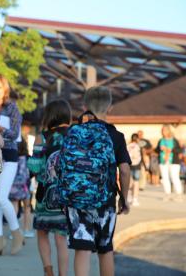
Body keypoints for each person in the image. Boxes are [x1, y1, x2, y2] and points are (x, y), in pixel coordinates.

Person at [64, 86, 130, 276]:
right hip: (105, 199)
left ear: (85, 106)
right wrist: (123, 199)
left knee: (82, 248)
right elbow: (124, 170)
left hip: (77, 198)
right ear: (110, 108)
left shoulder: (74, 132)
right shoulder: (116, 136)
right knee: (105, 249)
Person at [0, 74, 24, 256]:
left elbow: (15, 133)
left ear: (5, 89)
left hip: (9, 157)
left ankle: (17, 234)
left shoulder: (12, 108)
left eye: (0, 88)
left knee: (1, 198)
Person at [33, 99, 71, 276]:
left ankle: (49, 272)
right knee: (61, 238)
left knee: (42, 233)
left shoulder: (42, 137)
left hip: (44, 195)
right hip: (66, 196)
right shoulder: (73, 135)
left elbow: (34, 167)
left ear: (49, 115)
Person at [9, 138, 34, 238]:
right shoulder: (27, 157)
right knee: (27, 207)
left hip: (12, 185)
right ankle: (26, 230)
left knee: (14, 207)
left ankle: (14, 232)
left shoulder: (11, 156)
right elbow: (30, 171)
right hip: (24, 186)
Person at [155, 125, 183, 202]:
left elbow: (179, 150)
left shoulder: (174, 140)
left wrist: (170, 149)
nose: (162, 132)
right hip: (163, 161)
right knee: (165, 178)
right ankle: (167, 194)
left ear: (168, 131)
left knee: (174, 177)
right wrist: (160, 149)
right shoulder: (161, 140)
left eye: (163, 130)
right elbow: (156, 150)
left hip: (173, 161)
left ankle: (179, 195)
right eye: (161, 130)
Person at [127, 133, 142, 206]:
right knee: (136, 182)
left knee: (129, 182)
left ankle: (129, 197)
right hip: (136, 165)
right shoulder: (138, 146)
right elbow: (138, 156)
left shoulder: (128, 146)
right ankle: (135, 199)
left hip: (129, 165)